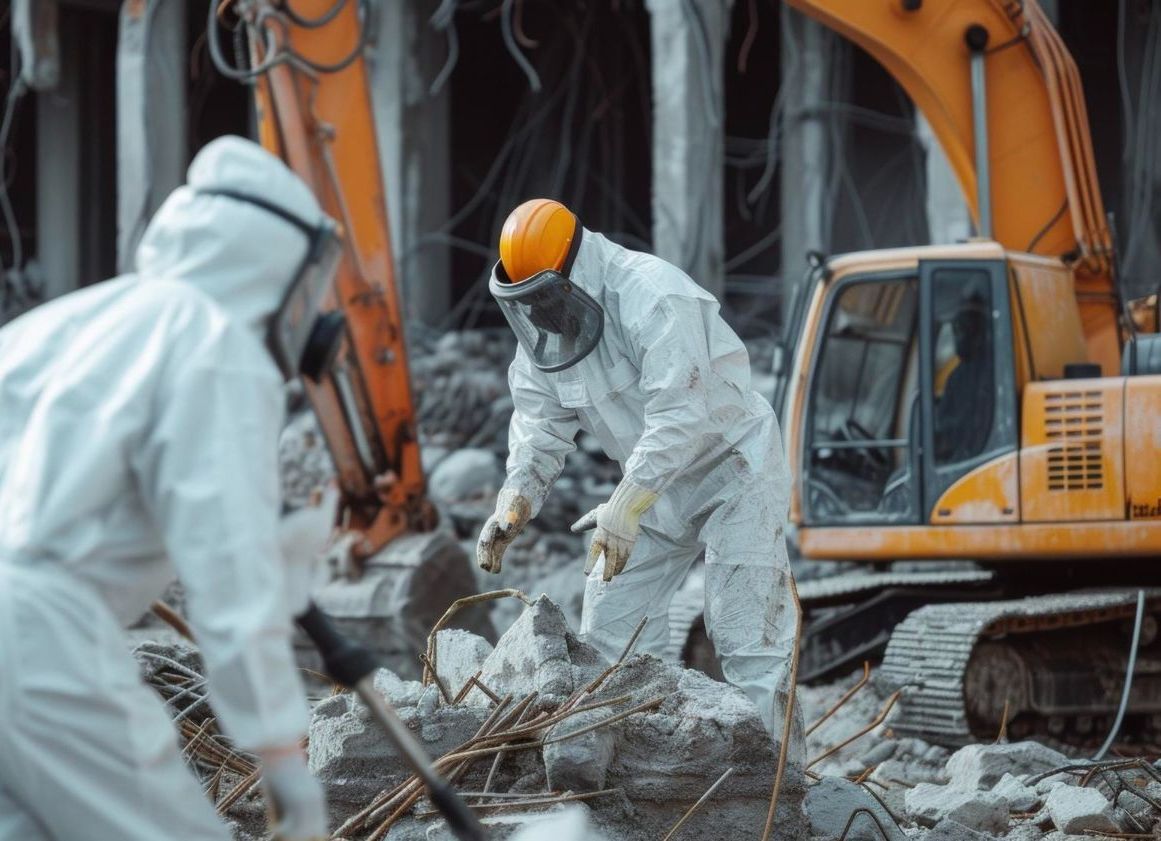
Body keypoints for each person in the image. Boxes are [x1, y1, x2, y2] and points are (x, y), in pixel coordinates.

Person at [0, 137, 336, 841]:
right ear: (271, 265)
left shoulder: (72, 319)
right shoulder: (216, 347)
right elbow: (229, 572)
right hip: (34, 636)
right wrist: (280, 748)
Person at [477, 198, 800, 738]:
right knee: (609, 636)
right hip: (652, 481)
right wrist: (514, 502)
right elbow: (539, 427)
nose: (539, 312)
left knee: (749, 638)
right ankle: (639, 782)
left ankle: (775, 797)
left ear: (572, 272)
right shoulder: (546, 334)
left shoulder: (651, 294)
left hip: (733, 468)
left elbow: (682, 411)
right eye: (527, 301)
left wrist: (626, 505)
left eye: (544, 297)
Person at [933, 293, 994, 463]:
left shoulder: (994, 374)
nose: (957, 338)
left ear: (978, 333)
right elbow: (943, 424)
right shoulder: (956, 376)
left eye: (963, 330)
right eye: (955, 330)